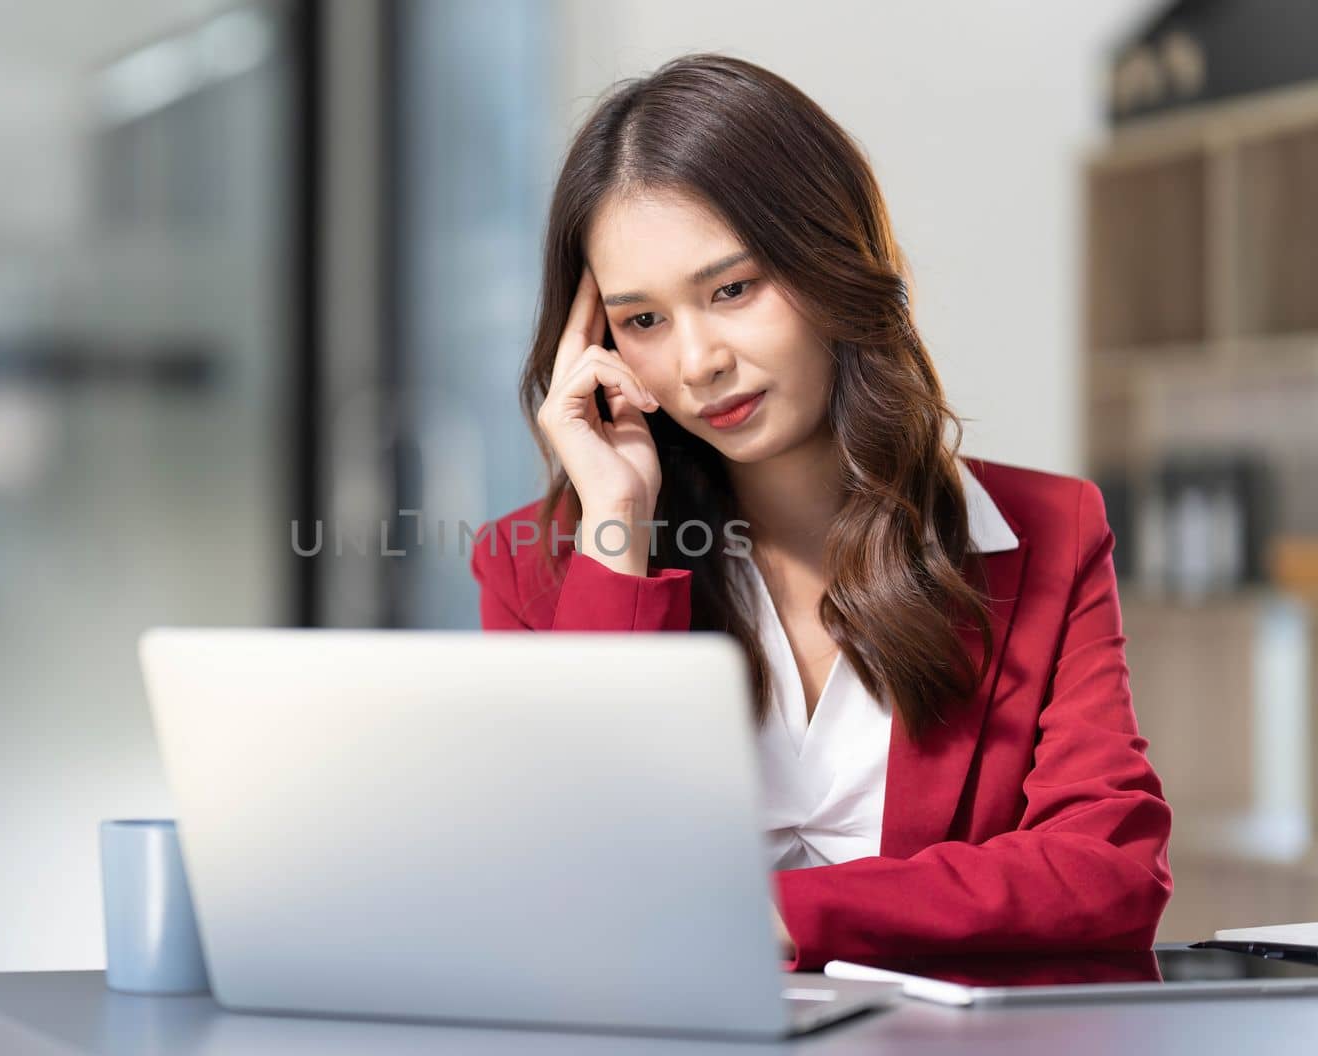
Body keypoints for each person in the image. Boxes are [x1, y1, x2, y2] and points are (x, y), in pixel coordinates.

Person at [468, 53, 1171, 971]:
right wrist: (616, 527)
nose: (698, 361)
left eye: (732, 289)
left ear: (832, 259)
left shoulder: (1048, 532)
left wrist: (780, 914)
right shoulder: (539, 564)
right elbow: (557, 884)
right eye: (643, 321)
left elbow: (1107, 871)